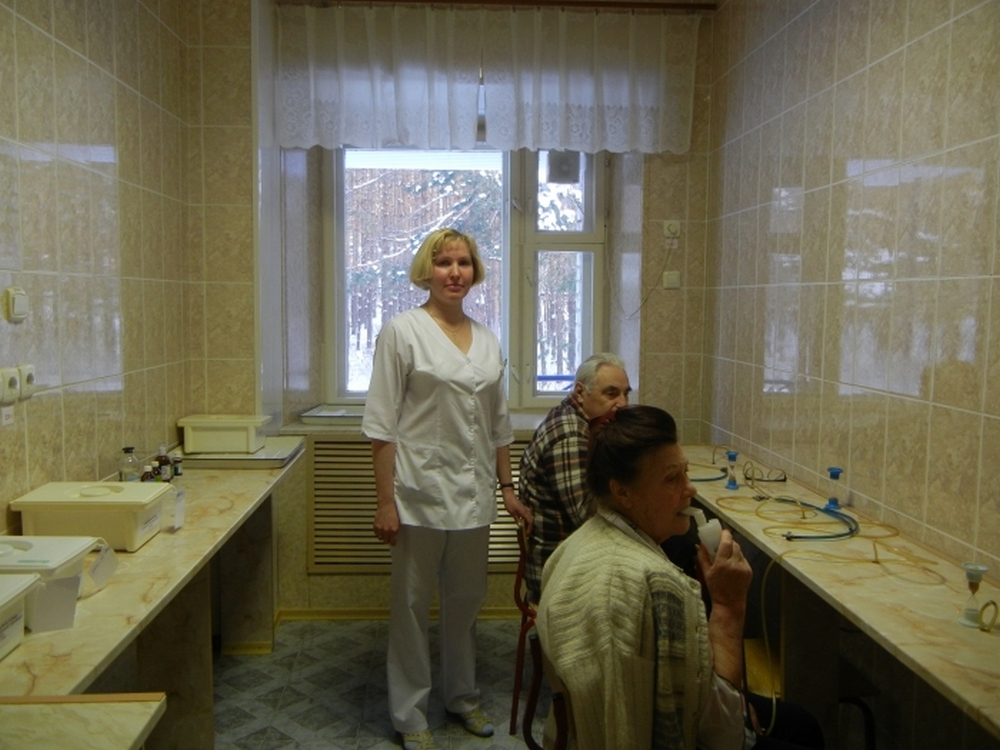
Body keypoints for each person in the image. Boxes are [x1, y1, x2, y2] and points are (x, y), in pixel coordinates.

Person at [536, 406, 824, 750]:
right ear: (622, 492)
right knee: (802, 731)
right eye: (672, 479)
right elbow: (726, 736)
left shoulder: (573, 547)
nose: (690, 490)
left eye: (686, 473)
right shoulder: (658, 585)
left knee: (801, 725)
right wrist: (729, 606)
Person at [362, 228, 533, 750]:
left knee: (465, 604)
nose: (454, 272)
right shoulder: (402, 332)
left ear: (475, 272)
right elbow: (381, 426)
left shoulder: (487, 339)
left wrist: (507, 487)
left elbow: (498, 424)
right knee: (412, 608)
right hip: (416, 493)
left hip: (473, 495)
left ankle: (462, 697)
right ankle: (410, 715)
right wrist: (385, 502)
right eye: (444, 263)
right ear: (426, 271)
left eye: (463, 263)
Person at [518, 352, 631, 603]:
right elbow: (587, 516)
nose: (622, 403)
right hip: (558, 570)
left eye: (626, 394)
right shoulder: (569, 435)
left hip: (569, 557)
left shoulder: (579, 420)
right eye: (611, 394)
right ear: (580, 392)